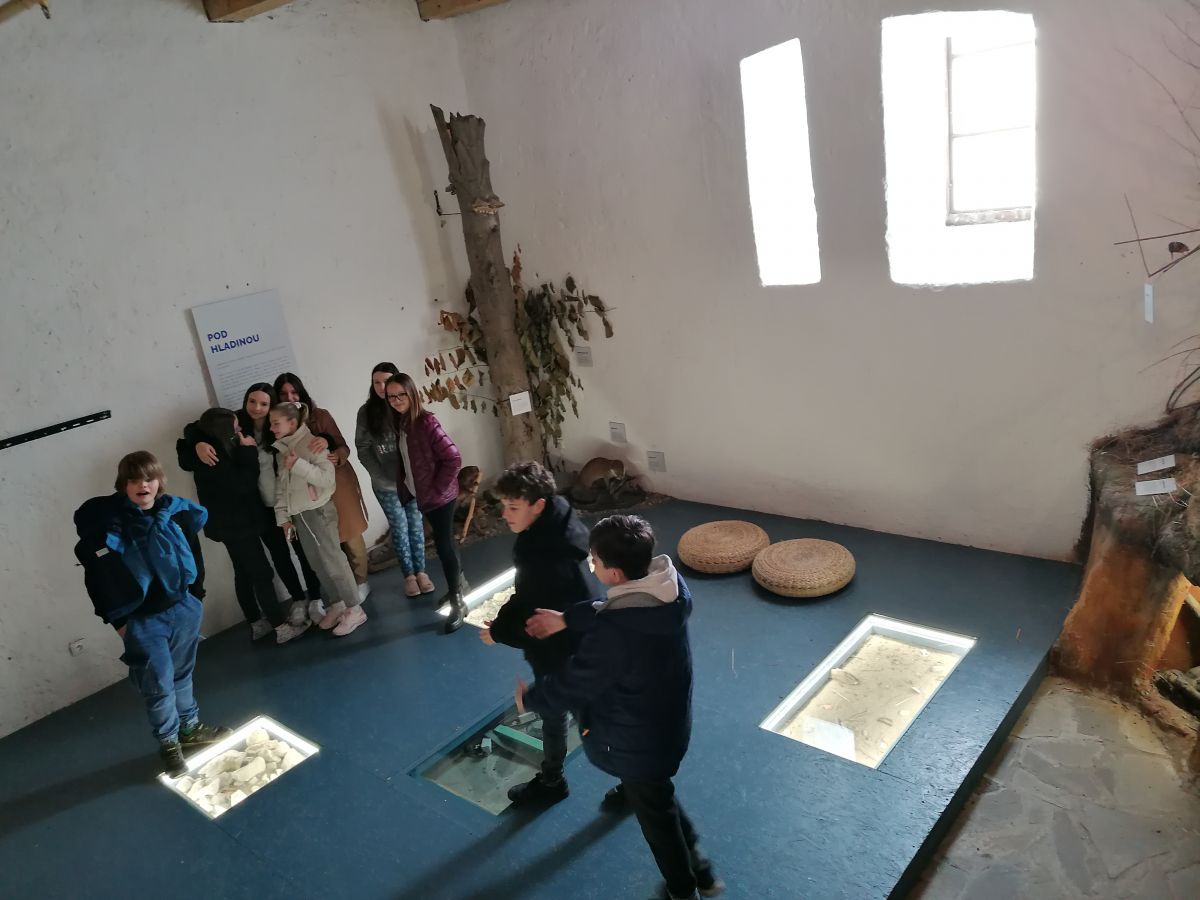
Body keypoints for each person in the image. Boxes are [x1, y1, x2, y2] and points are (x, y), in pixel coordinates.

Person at [522, 515, 723, 900]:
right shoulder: (667, 590)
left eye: (594, 561)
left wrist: (530, 698)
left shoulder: (615, 634)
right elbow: (610, 607)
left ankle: (687, 886)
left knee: (657, 816)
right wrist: (567, 619)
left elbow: (576, 682)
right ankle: (698, 865)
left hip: (636, 740)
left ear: (613, 573)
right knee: (655, 794)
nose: (591, 566)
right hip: (664, 721)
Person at [73, 451, 231, 776]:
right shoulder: (111, 527)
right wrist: (119, 622)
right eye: (134, 480)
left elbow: (194, 556)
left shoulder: (175, 515)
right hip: (143, 620)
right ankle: (169, 743)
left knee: (182, 674)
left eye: (149, 478)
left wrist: (196, 597)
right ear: (123, 485)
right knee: (159, 684)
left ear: (159, 481)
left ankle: (190, 729)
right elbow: (98, 579)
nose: (142, 485)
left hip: (183, 609)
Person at [480, 461, 596, 806]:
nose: (505, 515)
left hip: (563, 650)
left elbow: (535, 618)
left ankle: (554, 781)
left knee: (567, 714)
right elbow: (528, 598)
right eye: (504, 505)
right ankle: (629, 782)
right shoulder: (558, 524)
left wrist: (499, 632)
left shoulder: (544, 558)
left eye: (513, 507)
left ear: (538, 505)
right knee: (582, 713)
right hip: (578, 640)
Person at [186, 383, 322, 626]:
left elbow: (307, 436)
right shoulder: (235, 423)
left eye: (264, 403)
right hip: (259, 508)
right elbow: (196, 427)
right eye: (252, 401)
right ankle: (298, 600)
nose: (257, 408)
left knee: (302, 551)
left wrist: (326, 440)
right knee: (279, 557)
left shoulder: (278, 426)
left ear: (272, 406)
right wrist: (197, 443)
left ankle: (316, 598)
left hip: (286, 502)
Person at [268, 401, 368, 637]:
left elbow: (326, 479)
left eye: (276, 423)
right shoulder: (282, 450)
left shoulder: (311, 443)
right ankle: (337, 604)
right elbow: (281, 488)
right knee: (317, 563)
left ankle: (355, 608)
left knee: (334, 560)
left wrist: (298, 465)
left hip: (319, 511)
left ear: (292, 422)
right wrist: (283, 518)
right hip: (299, 515)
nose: (271, 428)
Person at [384, 372, 466, 633]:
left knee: (444, 546)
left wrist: (437, 489)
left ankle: (458, 600)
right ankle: (456, 588)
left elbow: (453, 458)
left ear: (412, 394)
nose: (397, 400)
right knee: (445, 544)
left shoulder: (426, 422)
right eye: (391, 397)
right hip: (425, 496)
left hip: (439, 497)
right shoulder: (402, 423)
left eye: (401, 395)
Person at [355, 362, 435, 599]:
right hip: (386, 485)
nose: (382, 387)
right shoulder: (366, 412)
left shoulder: (405, 405)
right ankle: (409, 576)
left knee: (416, 525)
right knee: (399, 528)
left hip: (412, 482)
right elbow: (362, 448)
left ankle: (421, 573)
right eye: (376, 382)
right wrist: (379, 475)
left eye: (386, 381)